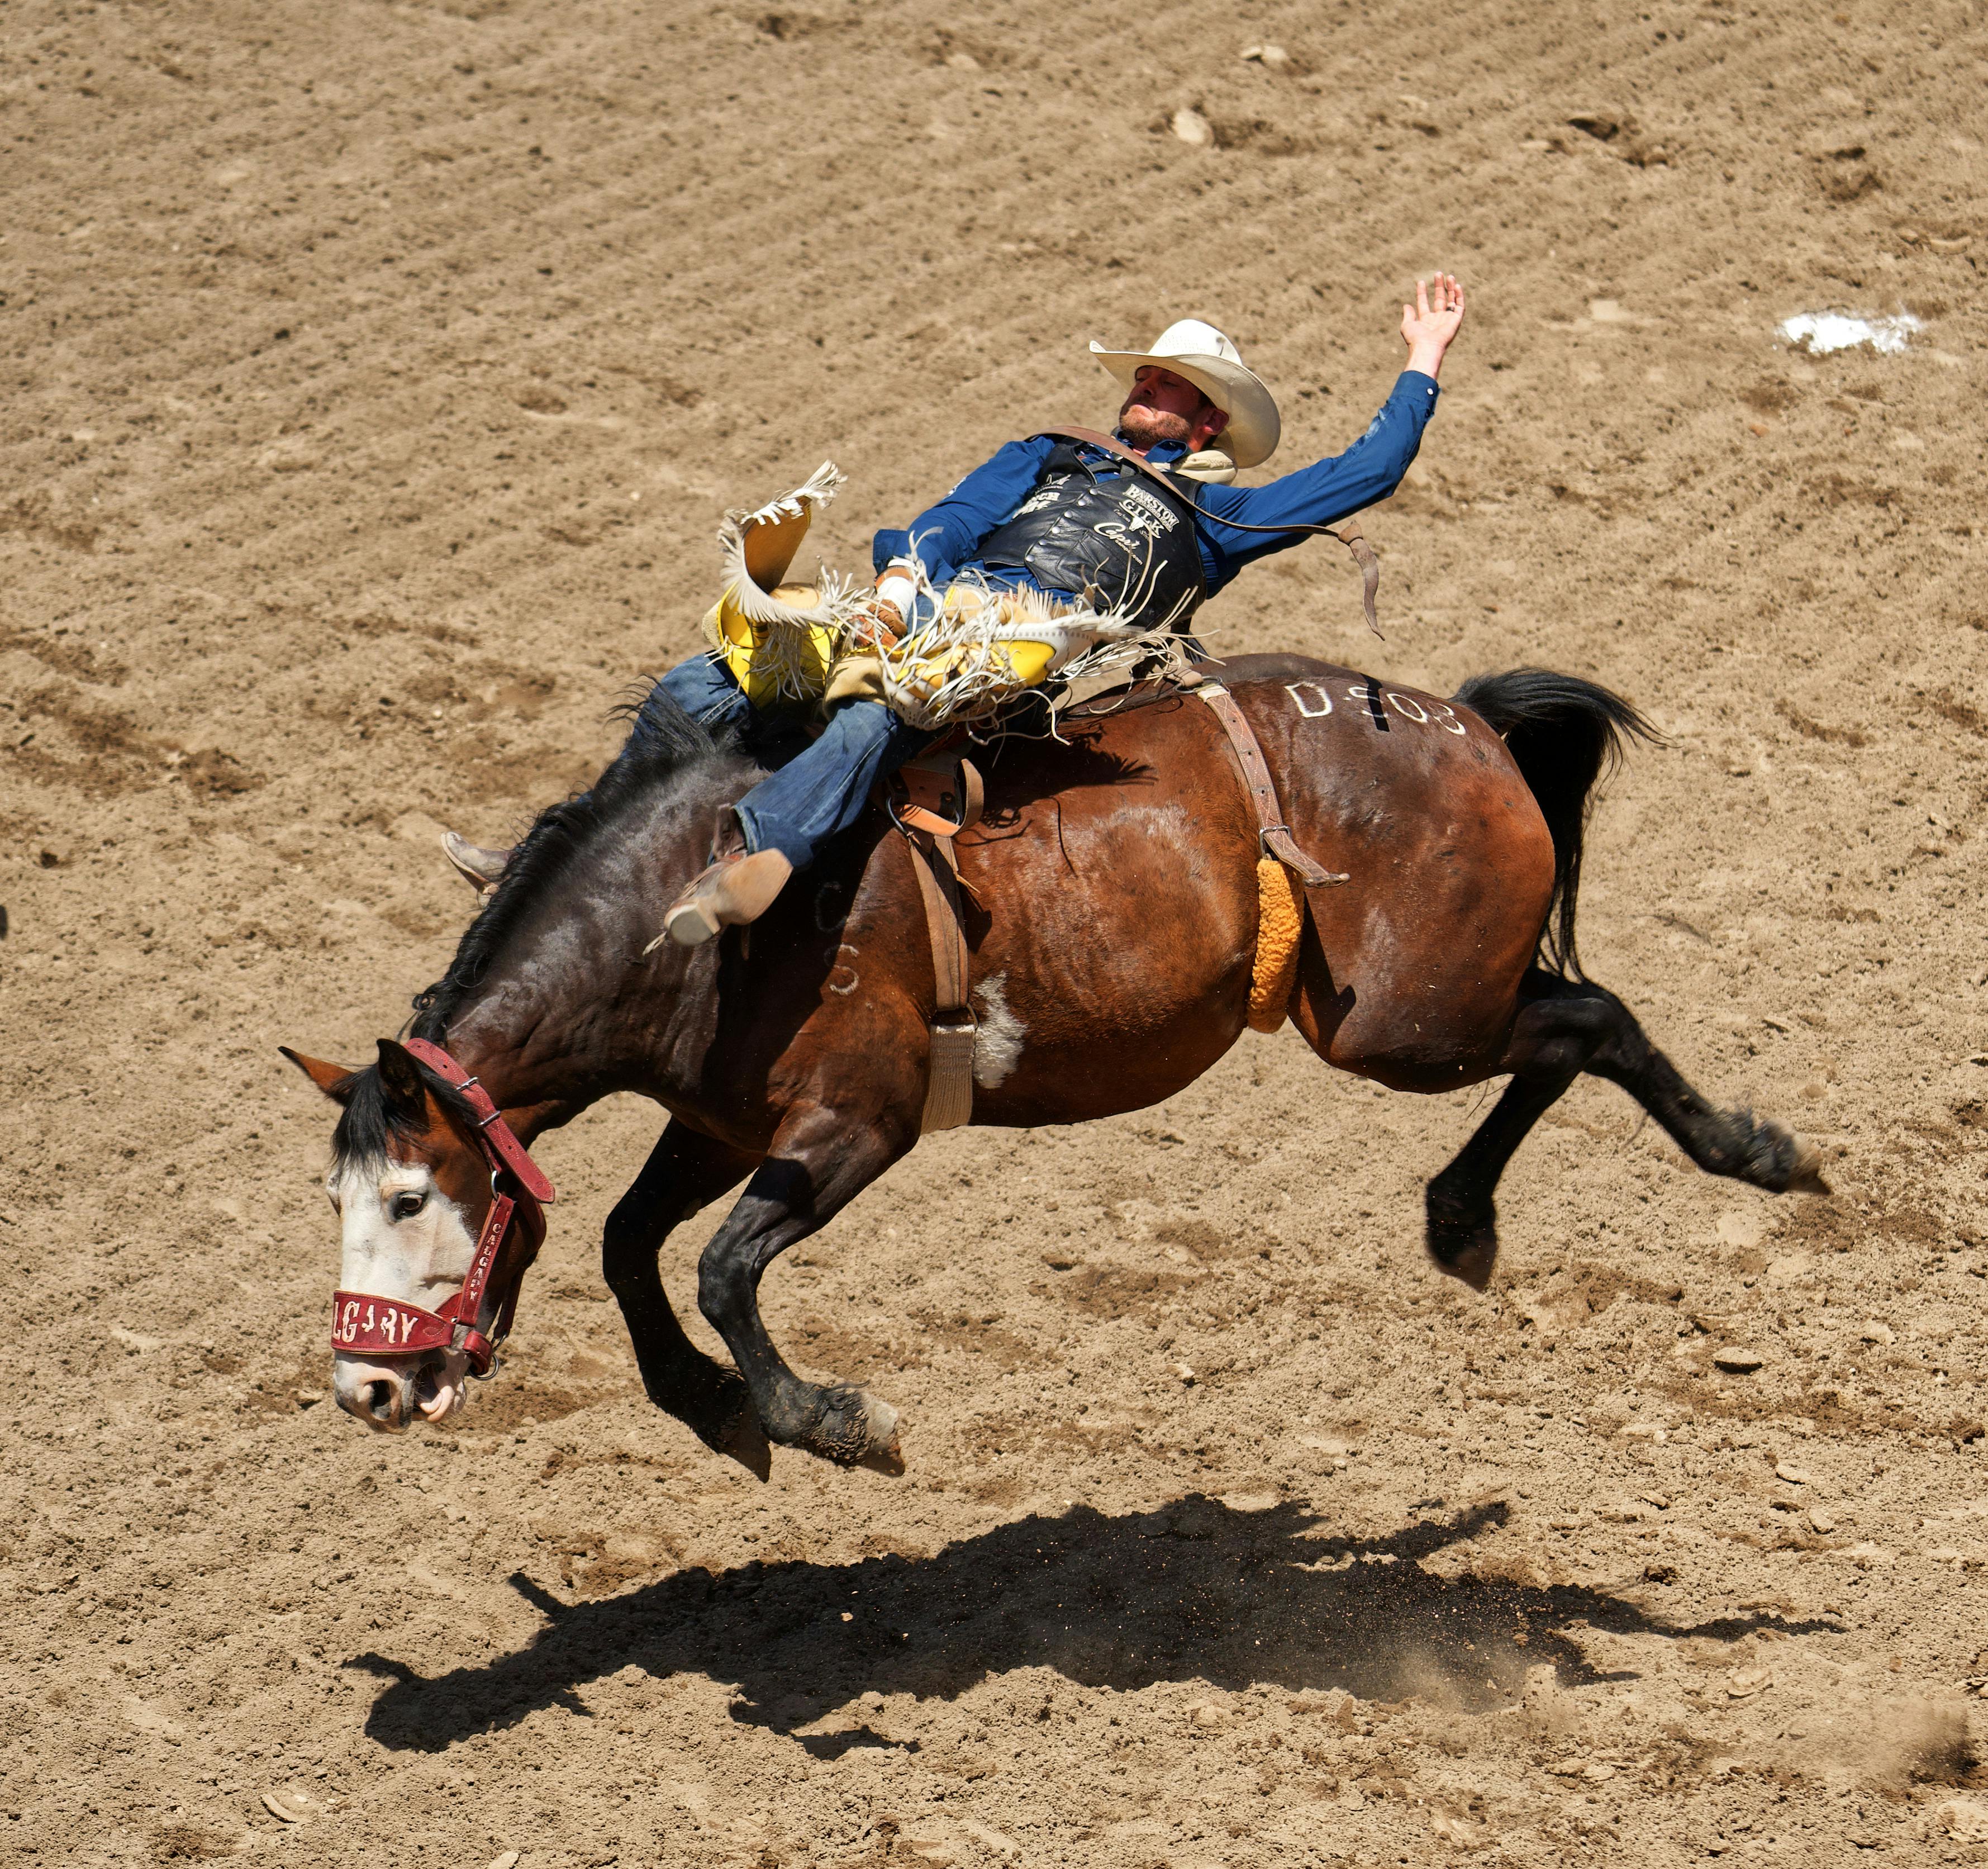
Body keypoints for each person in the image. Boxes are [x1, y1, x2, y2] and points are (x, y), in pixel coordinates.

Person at [444, 276, 1468, 944]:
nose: (1146, 384)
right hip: (933, 604)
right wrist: (903, 583)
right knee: (703, 681)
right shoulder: (1050, 452)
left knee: (883, 711)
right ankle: (553, 856)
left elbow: (1368, 469)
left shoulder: (1218, 520)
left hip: (1031, 655)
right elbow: (957, 516)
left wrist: (1421, 357)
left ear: (1206, 421)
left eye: (1169, 383)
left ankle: (760, 854)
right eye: (1148, 373)